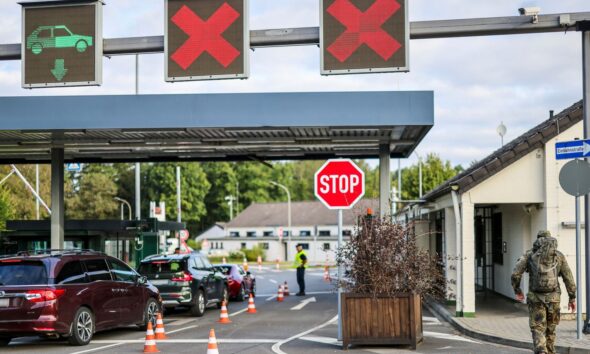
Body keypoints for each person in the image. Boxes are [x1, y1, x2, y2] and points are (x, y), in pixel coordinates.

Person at [511, 230, 576, 354]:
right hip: (554, 298)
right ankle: (550, 351)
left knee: (538, 328)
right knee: (551, 329)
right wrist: (572, 298)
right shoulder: (558, 256)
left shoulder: (529, 255)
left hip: (536, 298)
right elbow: (569, 278)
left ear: (538, 240)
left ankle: (541, 351)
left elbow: (515, 274)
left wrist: (517, 290)